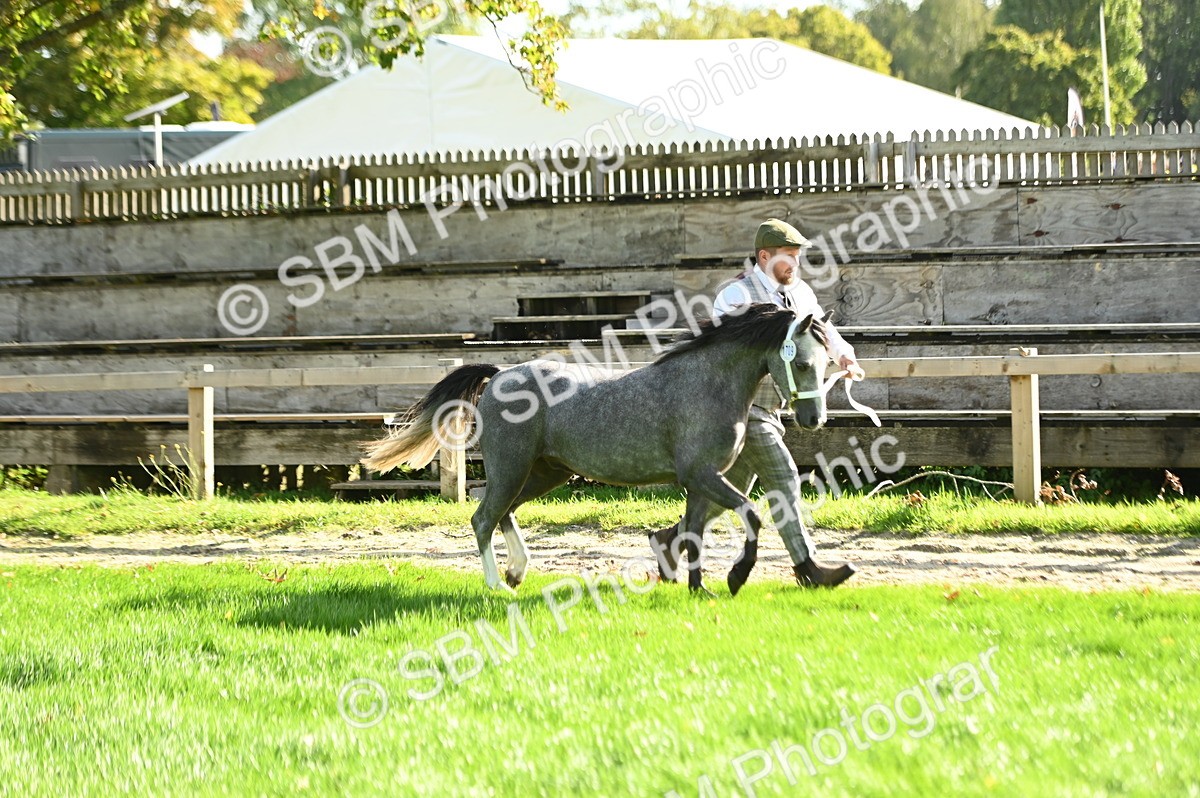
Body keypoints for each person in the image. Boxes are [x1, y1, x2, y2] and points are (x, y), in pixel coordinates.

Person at [650, 218, 861, 589]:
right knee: (784, 476)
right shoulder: (736, 295)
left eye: (798, 256)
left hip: (773, 408)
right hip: (743, 409)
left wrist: (844, 355)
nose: (795, 264)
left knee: (723, 498)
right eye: (788, 256)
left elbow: (823, 332)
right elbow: (722, 356)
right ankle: (807, 568)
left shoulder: (800, 294)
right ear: (765, 256)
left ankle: (670, 542)